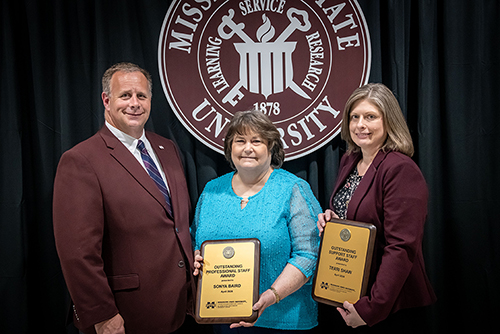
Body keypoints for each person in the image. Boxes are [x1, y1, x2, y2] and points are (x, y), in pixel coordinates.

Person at [53, 62, 195, 334]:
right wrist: (102, 314)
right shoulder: (81, 160)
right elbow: (78, 253)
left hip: (180, 310)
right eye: (125, 95)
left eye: (141, 96)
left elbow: (177, 225)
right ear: (106, 100)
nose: (134, 103)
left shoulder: (167, 149)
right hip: (126, 317)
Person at [317, 83, 436, 333]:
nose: (361, 124)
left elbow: (401, 247)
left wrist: (372, 309)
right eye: (355, 117)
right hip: (353, 296)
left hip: (390, 306)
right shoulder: (351, 160)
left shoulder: (400, 169)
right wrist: (334, 220)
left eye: (370, 117)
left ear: (388, 121)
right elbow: (357, 216)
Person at [191, 109, 321, 333]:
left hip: (283, 321)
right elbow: (197, 239)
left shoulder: (293, 188)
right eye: (240, 141)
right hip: (222, 319)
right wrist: (197, 258)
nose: (247, 148)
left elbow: (309, 254)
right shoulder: (212, 190)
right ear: (229, 148)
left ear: (272, 147)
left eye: (257, 141)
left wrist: (272, 296)